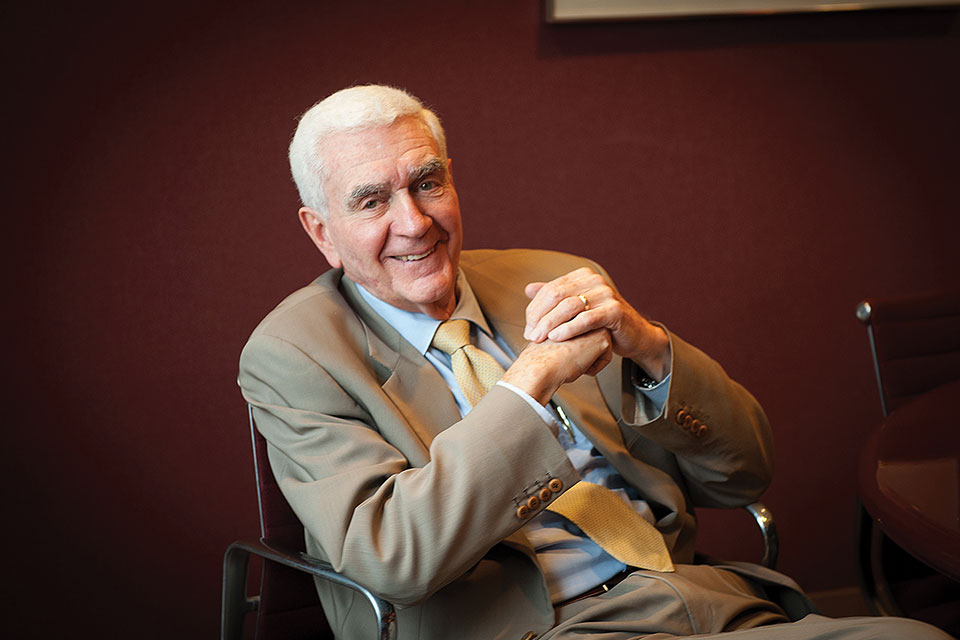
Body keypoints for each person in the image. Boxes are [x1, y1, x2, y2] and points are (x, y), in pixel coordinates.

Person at [238, 85, 947, 640]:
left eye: (426, 182)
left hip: (699, 597)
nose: (415, 221)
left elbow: (746, 474)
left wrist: (649, 346)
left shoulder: (549, 276)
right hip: (537, 628)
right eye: (372, 201)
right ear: (322, 231)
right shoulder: (295, 355)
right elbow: (393, 557)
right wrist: (529, 383)